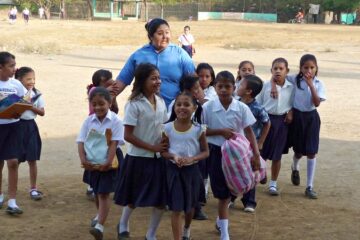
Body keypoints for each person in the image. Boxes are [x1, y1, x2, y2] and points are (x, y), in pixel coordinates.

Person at [202, 71, 260, 240]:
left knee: (236, 188)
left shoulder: (241, 108)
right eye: (220, 86)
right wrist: (220, 131)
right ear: (215, 87)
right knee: (222, 193)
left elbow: (249, 132)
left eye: (228, 86)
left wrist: (256, 155)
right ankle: (225, 233)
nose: (224, 90)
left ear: (234, 88)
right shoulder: (208, 107)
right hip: (216, 153)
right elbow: (200, 130)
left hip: (237, 155)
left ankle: (221, 221)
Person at [114, 63, 168, 240]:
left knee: (160, 200)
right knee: (133, 197)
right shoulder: (134, 104)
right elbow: (128, 135)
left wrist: (165, 144)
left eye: (159, 78)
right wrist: (152, 147)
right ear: (142, 81)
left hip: (158, 158)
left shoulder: (160, 102)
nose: (158, 81)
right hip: (138, 158)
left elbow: (165, 128)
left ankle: (151, 234)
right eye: (153, 78)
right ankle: (123, 224)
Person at [77, 87, 125, 240]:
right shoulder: (88, 121)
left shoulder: (116, 121)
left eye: (101, 104)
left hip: (109, 160)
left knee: (103, 193)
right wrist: (83, 159)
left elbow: (114, 144)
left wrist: (108, 162)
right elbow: (80, 141)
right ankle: (100, 215)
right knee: (98, 192)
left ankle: (100, 226)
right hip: (92, 161)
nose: (97, 107)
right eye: (94, 104)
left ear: (109, 103)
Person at [114, 18, 195, 107]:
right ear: (151, 36)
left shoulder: (180, 54)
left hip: (174, 112)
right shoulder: (138, 55)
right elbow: (122, 80)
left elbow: (194, 82)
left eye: (167, 32)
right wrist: (109, 97)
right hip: (143, 110)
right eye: (160, 34)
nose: (165, 36)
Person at [162, 91, 209, 240]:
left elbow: (206, 152)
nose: (182, 107)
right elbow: (163, 152)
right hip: (173, 172)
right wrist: (174, 156)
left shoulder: (198, 129)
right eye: (179, 104)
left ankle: (186, 229)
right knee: (176, 208)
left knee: (190, 207)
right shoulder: (167, 128)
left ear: (194, 108)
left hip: (192, 172)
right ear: (174, 107)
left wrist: (192, 158)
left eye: (186, 104)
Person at [167, 75, 208, 221]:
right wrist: (173, 156)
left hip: (193, 162)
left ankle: (194, 211)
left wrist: (193, 158)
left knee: (192, 192)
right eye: (196, 88)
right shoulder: (173, 112)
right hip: (174, 165)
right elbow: (164, 147)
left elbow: (205, 147)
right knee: (177, 204)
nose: (199, 90)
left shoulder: (200, 110)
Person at [229, 74, 271, 212]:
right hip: (236, 146)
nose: (237, 87)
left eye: (240, 85)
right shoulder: (234, 103)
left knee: (251, 172)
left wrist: (260, 142)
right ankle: (231, 198)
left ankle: (249, 201)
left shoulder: (258, 108)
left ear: (248, 91)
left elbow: (267, 123)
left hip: (251, 146)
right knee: (235, 171)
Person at [288, 54, 326, 199]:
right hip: (297, 117)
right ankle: (295, 166)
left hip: (311, 118)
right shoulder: (294, 79)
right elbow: (277, 78)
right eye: (306, 67)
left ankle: (309, 186)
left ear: (316, 68)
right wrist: (290, 110)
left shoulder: (318, 83)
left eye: (312, 67)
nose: (309, 70)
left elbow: (316, 103)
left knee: (311, 151)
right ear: (300, 68)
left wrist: (311, 85)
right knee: (299, 151)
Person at [257, 58, 294, 196]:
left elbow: (293, 104)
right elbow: (259, 104)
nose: (278, 71)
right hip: (266, 121)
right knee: (262, 152)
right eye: (275, 68)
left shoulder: (291, 87)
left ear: (287, 71)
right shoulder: (265, 86)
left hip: (282, 122)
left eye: (281, 69)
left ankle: (273, 183)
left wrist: (291, 112)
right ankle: (261, 172)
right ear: (271, 70)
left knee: (277, 154)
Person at [84, 69, 120, 199]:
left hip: (106, 125)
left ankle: (103, 186)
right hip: (95, 126)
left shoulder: (107, 95)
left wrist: (112, 97)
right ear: (102, 81)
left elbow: (115, 109)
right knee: (94, 153)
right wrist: (108, 90)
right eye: (108, 80)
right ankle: (91, 185)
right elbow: (94, 94)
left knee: (103, 152)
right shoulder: (93, 91)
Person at [0, 52, 26, 214]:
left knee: (13, 162)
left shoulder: (16, 84)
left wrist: (19, 112)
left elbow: (24, 103)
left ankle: (12, 201)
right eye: (11, 66)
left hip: (14, 127)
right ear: (0, 67)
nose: (14, 69)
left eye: (15, 65)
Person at [15, 67, 45, 201]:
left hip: (31, 127)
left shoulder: (37, 94)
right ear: (19, 80)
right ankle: (12, 188)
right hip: (16, 127)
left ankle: (33, 188)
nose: (32, 81)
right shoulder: (15, 94)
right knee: (14, 160)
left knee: (32, 159)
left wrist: (30, 106)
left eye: (33, 78)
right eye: (28, 79)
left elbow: (42, 112)